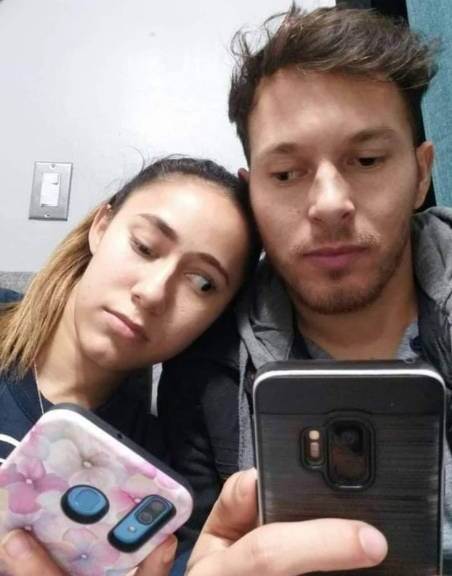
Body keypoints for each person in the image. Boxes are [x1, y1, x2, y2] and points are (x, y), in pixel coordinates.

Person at [0, 155, 259, 573]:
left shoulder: (153, 488)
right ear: (101, 227)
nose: (153, 293)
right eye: (144, 247)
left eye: (203, 283)